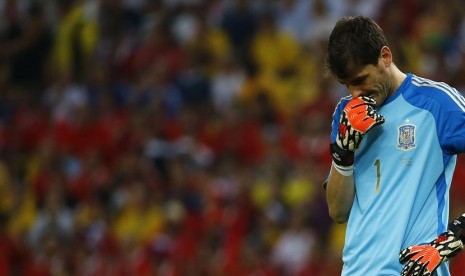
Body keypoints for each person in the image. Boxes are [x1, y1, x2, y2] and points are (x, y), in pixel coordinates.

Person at [324, 16, 465, 275]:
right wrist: (343, 153)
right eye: (347, 85)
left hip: (415, 269)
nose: (355, 94)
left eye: (360, 80)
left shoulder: (437, 104)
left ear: (385, 57)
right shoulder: (346, 114)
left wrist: (455, 238)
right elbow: (338, 211)